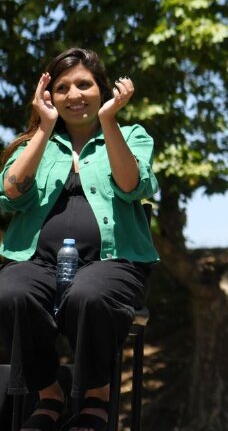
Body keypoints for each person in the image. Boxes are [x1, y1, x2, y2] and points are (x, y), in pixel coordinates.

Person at [0, 48, 158, 431]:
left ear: (101, 90)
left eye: (84, 85)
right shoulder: (35, 143)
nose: (74, 94)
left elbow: (131, 184)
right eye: (63, 87)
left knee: (89, 295)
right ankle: (50, 394)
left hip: (113, 261)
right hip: (36, 262)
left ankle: (95, 397)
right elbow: (10, 193)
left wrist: (109, 121)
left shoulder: (130, 134)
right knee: (9, 293)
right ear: (49, 96)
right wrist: (42, 128)